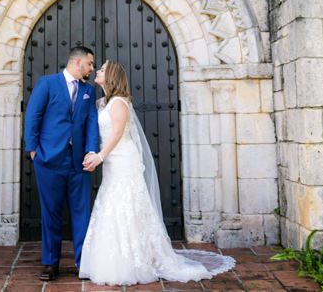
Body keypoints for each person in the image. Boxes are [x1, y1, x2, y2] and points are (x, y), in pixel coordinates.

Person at [79, 61, 236, 286]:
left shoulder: (118, 103)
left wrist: (100, 157)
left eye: (102, 69)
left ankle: (134, 261)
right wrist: (94, 151)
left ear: (111, 76)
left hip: (123, 160)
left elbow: (116, 134)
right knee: (111, 203)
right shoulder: (101, 102)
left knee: (125, 204)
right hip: (111, 162)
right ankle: (114, 257)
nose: (98, 71)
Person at [24, 46, 99, 281]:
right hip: (49, 160)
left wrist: (91, 151)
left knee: (81, 213)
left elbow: (91, 122)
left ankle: (82, 263)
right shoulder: (47, 83)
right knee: (51, 213)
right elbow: (33, 116)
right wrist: (33, 151)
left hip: (79, 162)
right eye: (90, 63)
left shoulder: (89, 90)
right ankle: (50, 263)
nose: (92, 68)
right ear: (77, 62)